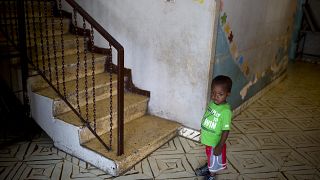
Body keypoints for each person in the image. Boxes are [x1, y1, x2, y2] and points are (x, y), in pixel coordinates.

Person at [195, 75, 232, 180]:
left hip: (215, 143)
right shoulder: (213, 103)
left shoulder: (226, 111)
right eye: (213, 93)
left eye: (220, 94)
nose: (215, 96)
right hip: (209, 140)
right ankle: (208, 166)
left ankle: (211, 176)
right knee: (210, 157)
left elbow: (226, 130)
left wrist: (220, 146)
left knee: (214, 161)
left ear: (228, 94)